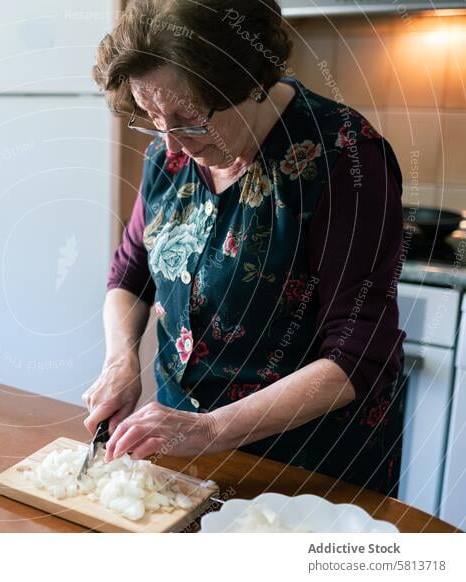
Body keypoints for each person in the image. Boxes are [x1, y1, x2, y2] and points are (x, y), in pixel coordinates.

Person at [84, 0, 406, 495]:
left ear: (251, 82)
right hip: (182, 460)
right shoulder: (169, 157)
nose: (170, 144)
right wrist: (120, 361)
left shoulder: (345, 158)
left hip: (307, 472)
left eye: (189, 118)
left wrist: (211, 428)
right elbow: (131, 275)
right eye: (152, 117)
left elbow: (358, 352)